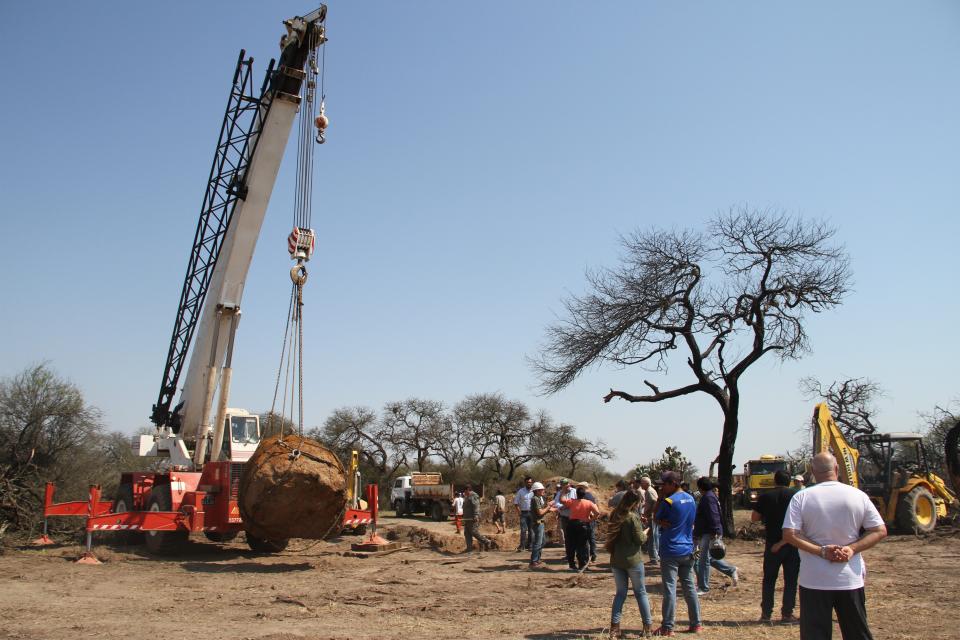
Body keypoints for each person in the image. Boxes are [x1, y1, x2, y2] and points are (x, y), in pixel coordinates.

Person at [782, 452, 887, 640]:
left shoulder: (802, 497)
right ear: (837, 468)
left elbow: (789, 534)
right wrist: (852, 548)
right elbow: (879, 530)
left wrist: (822, 551)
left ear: (813, 472)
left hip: (814, 579)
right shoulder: (858, 495)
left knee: (815, 634)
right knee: (857, 633)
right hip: (849, 578)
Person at [653, 470, 701, 636]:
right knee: (690, 588)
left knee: (670, 589)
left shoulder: (668, 501)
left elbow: (656, 518)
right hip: (687, 549)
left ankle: (667, 627)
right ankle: (696, 623)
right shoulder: (691, 499)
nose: (662, 488)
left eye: (664, 484)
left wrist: (659, 499)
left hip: (670, 549)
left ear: (673, 484)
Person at [752, 469, 800, 623]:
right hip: (792, 544)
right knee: (791, 580)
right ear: (790, 481)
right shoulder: (796, 495)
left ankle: (766, 614)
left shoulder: (766, 496)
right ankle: (787, 614)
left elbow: (754, 517)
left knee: (769, 580)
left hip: (772, 544)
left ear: (775, 480)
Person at [606, 489, 653, 639]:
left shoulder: (615, 514)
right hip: (633, 560)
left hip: (616, 560)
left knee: (620, 593)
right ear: (635, 502)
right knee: (641, 593)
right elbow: (640, 540)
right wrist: (646, 532)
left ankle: (614, 629)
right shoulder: (632, 517)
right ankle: (647, 628)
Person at [693, 477, 739, 595]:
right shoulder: (710, 496)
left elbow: (713, 516)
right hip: (708, 532)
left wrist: (715, 533)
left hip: (709, 533)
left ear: (700, 487)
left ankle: (703, 587)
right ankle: (730, 570)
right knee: (708, 558)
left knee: (703, 560)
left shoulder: (708, 498)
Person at [560, 483, 600, 570]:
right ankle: (582, 564)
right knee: (583, 546)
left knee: (571, 545)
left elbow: (562, 500)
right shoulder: (589, 503)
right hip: (583, 525)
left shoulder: (572, 501)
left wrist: (563, 490)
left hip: (571, 525)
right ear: (584, 494)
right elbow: (597, 513)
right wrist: (590, 519)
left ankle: (572, 564)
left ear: (576, 494)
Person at [528, 481, 555, 569]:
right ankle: (534, 561)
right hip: (537, 523)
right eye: (542, 489)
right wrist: (549, 506)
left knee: (542, 541)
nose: (543, 490)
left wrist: (555, 509)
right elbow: (540, 512)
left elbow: (544, 510)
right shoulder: (535, 499)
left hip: (540, 523)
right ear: (537, 490)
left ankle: (537, 559)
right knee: (538, 542)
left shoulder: (538, 498)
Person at [552, 478, 577, 566]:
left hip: (574, 517)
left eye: (566, 484)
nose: (565, 485)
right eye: (563, 484)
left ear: (569, 484)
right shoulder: (559, 493)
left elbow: (577, 502)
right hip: (565, 517)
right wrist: (563, 506)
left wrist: (565, 505)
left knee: (575, 537)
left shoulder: (574, 491)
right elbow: (556, 503)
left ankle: (576, 555)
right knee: (567, 537)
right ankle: (569, 555)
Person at [462, 484, 493, 553]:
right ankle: (469, 549)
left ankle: (487, 541)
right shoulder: (467, 496)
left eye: (464, 491)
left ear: (467, 490)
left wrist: (476, 515)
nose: (464, 493)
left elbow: (476, 506)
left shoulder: (473, 496)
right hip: (467, 519)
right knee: (467, 533)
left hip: (473, 518)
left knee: (474, 532)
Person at [637, 476, 660, 564]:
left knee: (652, 537)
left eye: (642, 483)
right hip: (652, 516)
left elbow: (655, 502)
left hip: (651, 517)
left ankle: (654, 558)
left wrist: (650, 513)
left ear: (646, 483)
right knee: (655, 536)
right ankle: (656, 556)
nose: (641, 485)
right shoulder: (650, 490)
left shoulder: (649, 491)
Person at [579, 481, 600, 562]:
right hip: (589, 519)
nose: (578, 487)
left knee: (588, 538)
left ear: (584, 487)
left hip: (587, 519)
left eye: (580, 486)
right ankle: (593, 554)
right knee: (591, 538)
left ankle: (590, 555)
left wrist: (590, 517)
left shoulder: (586, 496)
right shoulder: (590, 495)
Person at [513, 476, 534, 551]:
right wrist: (519, 512)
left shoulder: (534, 491)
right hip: (523, 513)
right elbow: (516, 502)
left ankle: (531, 546)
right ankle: (522, 546)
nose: (529, 483)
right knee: (523, 530)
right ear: (525, 483)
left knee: (531, 530)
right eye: (528, 482)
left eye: (530, 482)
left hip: (532, 513)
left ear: (532, 483)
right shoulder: (521, 491)